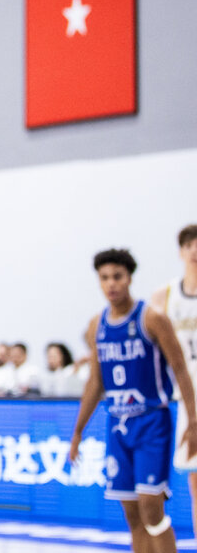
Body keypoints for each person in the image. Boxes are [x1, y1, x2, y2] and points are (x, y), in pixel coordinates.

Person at [70, 248, 197, 553]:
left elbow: (181, 369)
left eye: (117, 276)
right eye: (104, 278)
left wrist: (193, 421)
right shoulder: (95, 326)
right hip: (118, 424)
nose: (111, 283)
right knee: (131, 514)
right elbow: (95, 383)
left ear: (129, 279)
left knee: (152, 508)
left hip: (153, 420)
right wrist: (77, 432)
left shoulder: (151, 318)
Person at [150, 224, 197, 526]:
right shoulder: (164, 296)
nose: (195, 250)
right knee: (195, 484)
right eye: (190, 244)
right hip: (186, 398)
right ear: (181, 251)